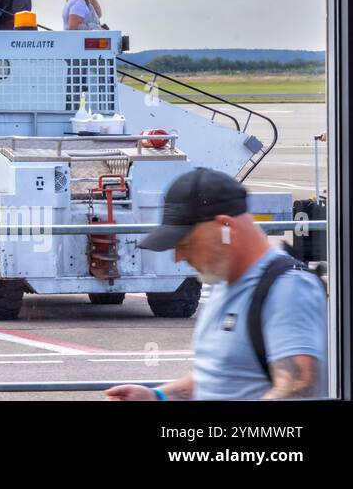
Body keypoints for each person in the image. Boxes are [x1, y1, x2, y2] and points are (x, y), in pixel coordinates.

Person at [106, 168, 326, 401]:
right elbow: (222, 374)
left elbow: (299, 388)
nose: (178, 257)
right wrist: (157, 396)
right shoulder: (224, 283)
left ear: (225, 227)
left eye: (187, 244)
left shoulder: (288, 289)